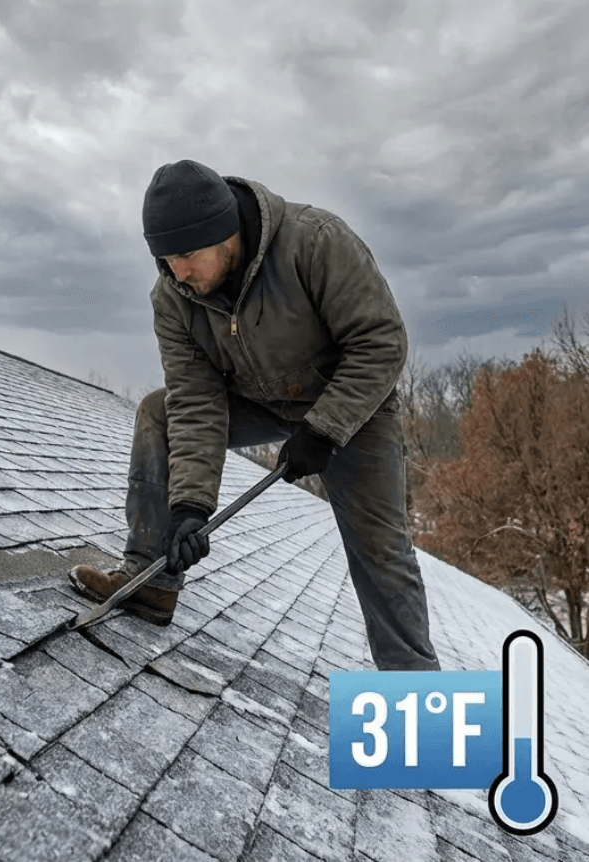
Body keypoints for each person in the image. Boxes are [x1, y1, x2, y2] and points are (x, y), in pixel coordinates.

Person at [67, 159, 440, 672]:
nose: (178, 273)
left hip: (353, 408)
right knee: (158, 412)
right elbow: (195, 400)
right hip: (259, 400)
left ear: (226, 235)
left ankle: (417, 704)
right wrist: (189, 507)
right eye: (164, 259)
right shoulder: (174, 297)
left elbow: (381, 344)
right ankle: (150, 581)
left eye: (187, 256)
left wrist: (326, 428)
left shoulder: (316, 242)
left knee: (384, 558)